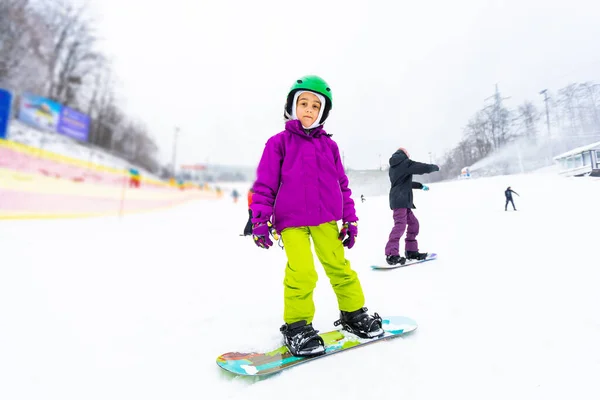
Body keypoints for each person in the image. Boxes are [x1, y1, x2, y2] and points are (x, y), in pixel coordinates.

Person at [250, 75, 383, 357]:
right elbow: (265, 184)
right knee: (302, 271)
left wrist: (351, 219)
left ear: (322, 112)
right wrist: (260, 220)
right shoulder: (279, 143)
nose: (309, 109)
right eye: (303, 103)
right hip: (291, 221)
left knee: (339, 266)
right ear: (292, 106)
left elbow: (342, 185)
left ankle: (353, 313)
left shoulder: (329, 146)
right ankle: (297, 326)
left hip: (326, 219)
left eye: (315, 105)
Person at [384, 148, 439, 266]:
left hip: (402, 200)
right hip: (400, 200)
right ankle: (391, 254)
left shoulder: (395, 167)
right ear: (404, 154)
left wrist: (419, 186)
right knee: (400, 226)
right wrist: (433, 167)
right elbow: (420, 167)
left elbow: (403, 183)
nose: (409, 155)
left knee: (414, 224)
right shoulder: (404, 163)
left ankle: (411, 251)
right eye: (408, 153)